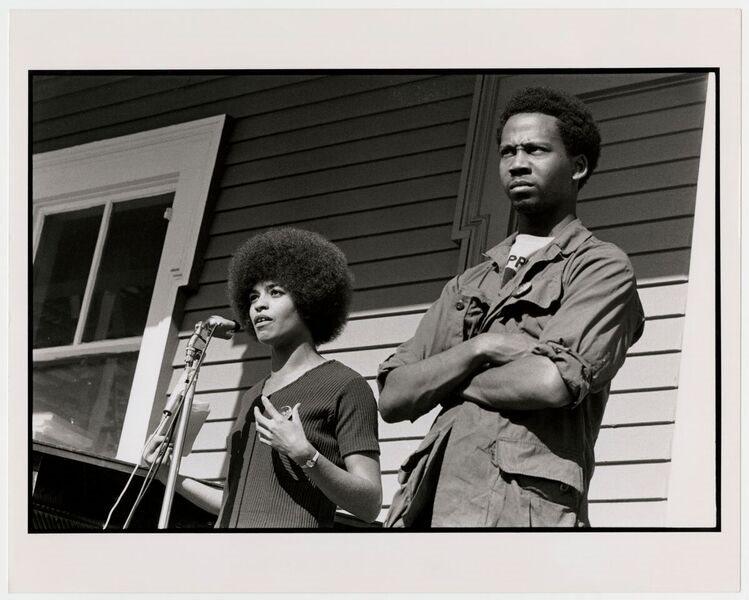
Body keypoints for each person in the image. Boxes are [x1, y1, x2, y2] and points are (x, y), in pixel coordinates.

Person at [377, 87, 645, 528]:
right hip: (428, 506)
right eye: (507, 152)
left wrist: (443, 381)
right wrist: (478, 348)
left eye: (536, 150)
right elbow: (393, 397)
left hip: (523, 514)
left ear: (577, 166)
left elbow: (548, 381)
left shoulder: (600, 267)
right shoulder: (470, 281)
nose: (517, 162)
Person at [145, 228, 382, 528]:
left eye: (276, 292)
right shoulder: (252, 397)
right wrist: (169, 476)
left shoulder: (345, 386)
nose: (259, 304)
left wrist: (305, 454)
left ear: (310, 297)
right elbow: (235, 504)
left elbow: (370, 503)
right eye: (253, 296)